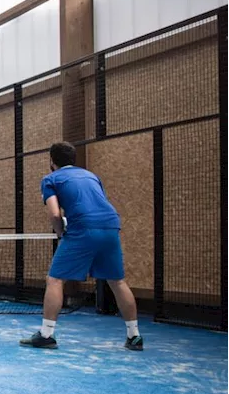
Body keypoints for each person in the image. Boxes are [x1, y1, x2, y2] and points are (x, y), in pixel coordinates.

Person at [20, 141, 143, 351]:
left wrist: (61, 234)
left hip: (84, 228)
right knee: (117, 281)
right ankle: (134, 336)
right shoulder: (91, 176)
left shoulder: (50, 179)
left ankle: (46, 334)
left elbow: (54, 213)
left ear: (52, 161)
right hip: (111, 226)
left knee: (55, 279)